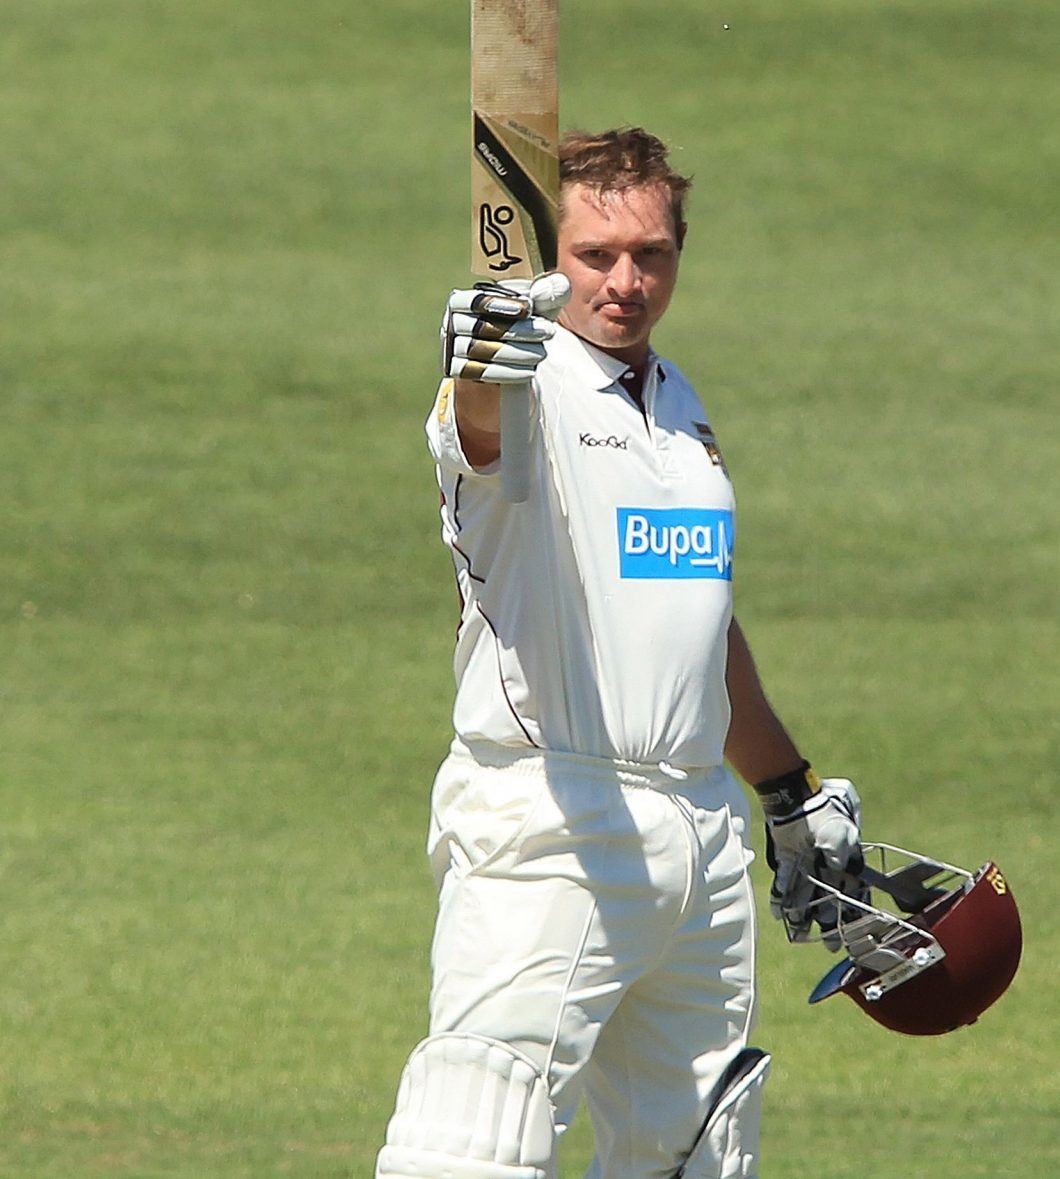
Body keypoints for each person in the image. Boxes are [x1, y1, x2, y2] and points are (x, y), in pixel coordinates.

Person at [375, 128, 865, 1179]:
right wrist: (475, 367)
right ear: (553, 257)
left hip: (696, 834)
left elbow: (696, 623)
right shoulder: (525, 379)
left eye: (651, 254)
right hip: (554, 821)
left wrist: (785, 790)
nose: (626, 281)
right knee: (472, 1142)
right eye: (596, 255)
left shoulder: (679, 409)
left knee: (690, 1157)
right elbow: (479, 437)